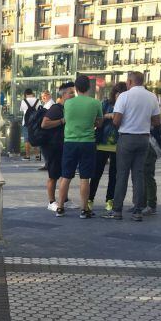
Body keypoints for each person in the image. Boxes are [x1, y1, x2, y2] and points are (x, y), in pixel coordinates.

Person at [102, 71, 161, 221]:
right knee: (138, 174)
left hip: (126, 138)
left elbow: (116, 121)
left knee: (122, 174)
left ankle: (117, 210)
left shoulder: (124, 96)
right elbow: (156, 121)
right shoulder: (152, 97)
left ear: (129, 82)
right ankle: (138, 211)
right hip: (143, 139)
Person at [55, 76, 102, 218]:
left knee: (66, 176)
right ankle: (84, 209)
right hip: (88, 142)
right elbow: (99, 123)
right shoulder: (96, 103)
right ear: (89, 87)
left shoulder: (68, 103)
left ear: (75, 88)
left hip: (70, 142)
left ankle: (60, 207)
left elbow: (67, 119)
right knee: (85, 177)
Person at [89, 82, 125, 212]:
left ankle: (110, 200)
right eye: (118, 95)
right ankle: (90, 199)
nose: (119, 97)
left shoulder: (126, 106)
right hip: (102, 143)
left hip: (118, 144)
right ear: (114, 94)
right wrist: (108, 115)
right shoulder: (106, 104)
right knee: (96, 173)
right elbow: (97, 119)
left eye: (122, 95)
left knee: (114, 175)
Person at [41, 83, 74, 211]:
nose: (73, 95)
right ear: (64, 94)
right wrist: (61, 121)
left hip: (63, 145)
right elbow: (44, 124)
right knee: (53, 176)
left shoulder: (67, 108)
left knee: (64, 174)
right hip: (53, 146)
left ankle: (64, 200)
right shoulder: (56, 108)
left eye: (74, 92)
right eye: (71, 93)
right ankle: (51, 202)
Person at [19, 89, 40, 161]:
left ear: (25, 94)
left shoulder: (23, 101)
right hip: (35, 122)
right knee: (36, 138)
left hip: (26, 123)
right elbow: (39, 110)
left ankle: (27, 156)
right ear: (32, 93)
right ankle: (37, 156)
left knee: (27, 139)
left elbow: (22, 110)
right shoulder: (37, 100)